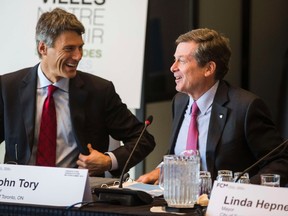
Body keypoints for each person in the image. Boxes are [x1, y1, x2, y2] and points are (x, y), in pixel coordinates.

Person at [0, 8, 155, 178]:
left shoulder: (99, 91)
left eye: (80, 48)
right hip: (22, 193)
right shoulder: (9, 87)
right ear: (43, 48)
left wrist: (109, 161)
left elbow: (143, 139)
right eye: (69, 49)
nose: (78, 56)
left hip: (79, 198)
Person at [137, 28, 288, 186]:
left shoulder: (245, 107)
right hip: (180, 202)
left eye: (181, 61)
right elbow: (180, 153)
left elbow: (280, 161)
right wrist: (162, 169)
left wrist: (241, 192)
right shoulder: (179, 102)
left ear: (208, 68)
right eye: (174, 59)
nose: (173, 67)